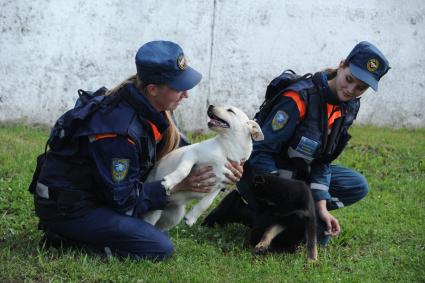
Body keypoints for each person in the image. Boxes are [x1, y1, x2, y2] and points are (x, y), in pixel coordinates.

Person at [29, 40, 243, 260]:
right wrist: (177, 185)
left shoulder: (156, 109)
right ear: (153, 89)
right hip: (70, 208)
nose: (186, 94)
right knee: (158, 247)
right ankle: (64, 237)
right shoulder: (119, 132)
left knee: (153, 233)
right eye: (179, 87)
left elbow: (184, 153)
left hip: (100, 194)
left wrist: (224, 172)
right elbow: (122, 199)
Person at [203, 41, 390, 245]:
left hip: (299, 174)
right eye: (349, 79)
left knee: (356, 186)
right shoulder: (299, 98)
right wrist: (284, 194)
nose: (351, 90)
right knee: (297, 237)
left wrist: (320, 207)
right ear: (342, 65)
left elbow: (323, 160)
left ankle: (286, 215)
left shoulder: (349, 107)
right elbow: (259, 151)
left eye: (360, 88)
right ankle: (240, 209)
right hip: (263, 175)